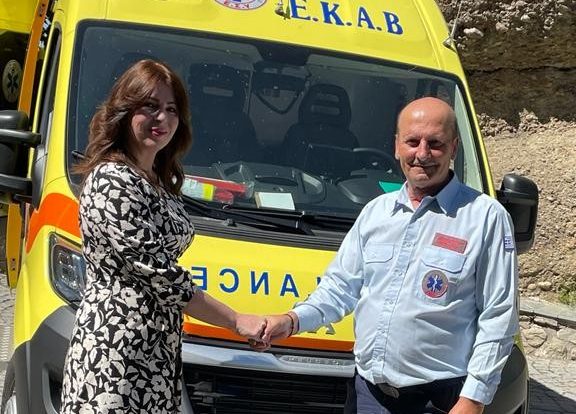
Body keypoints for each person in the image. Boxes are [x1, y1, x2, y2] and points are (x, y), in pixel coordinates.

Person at [259, 97, 518, 414]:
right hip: (369, 394)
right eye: (412, 141)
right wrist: (291, 321)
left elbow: (498, 316)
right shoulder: (376, 213)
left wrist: (474, 398)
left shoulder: (486, 217)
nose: (422, 153)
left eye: (435, 143)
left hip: (441, 401)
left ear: (454, 147)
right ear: (397, 146)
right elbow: (339, 289)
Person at [60, 59, 267, 413]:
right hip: (115, 354)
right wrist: (236, 321)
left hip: (154, 353)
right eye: (150, 106)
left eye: (171, 109)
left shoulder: (158, 178)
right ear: (125, 110)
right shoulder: (112, 180)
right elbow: (162, 276)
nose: (162, 118)